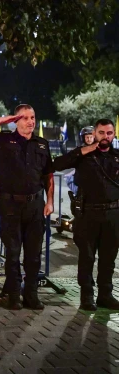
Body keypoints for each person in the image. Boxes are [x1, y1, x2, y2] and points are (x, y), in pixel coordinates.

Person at [0, 104, 54, 310]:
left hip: (35, 205)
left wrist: (50, 201)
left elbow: (48, 176)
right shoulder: (3, 141)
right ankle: (13, 296)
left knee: (34, 255)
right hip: (11, 206)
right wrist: (2, 121)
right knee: (12, 253)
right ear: (16, 121)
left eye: (33, 117)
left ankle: (31, 295)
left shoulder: (42, 145)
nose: (30, 122)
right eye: (25, 118)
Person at [54, 119, 119, 311]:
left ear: (113, 134)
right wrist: (83, 150)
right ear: (95, 133)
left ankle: (105, 295)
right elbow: (57, 164)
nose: (105, 137)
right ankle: (87, 296)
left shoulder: (117, 156)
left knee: (108, 258)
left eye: (109, 133)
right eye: (101, 133)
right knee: (87, 257)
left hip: (113, 215)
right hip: (88, 214)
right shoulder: (84, 155)